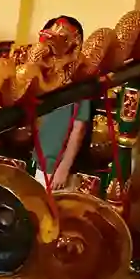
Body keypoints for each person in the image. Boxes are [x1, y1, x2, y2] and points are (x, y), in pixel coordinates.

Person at [33, 16, 91, 189]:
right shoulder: (42, 76)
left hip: (58, 168)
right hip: (41, 160)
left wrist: (64, 168)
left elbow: (79, 129)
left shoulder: (80, 81)